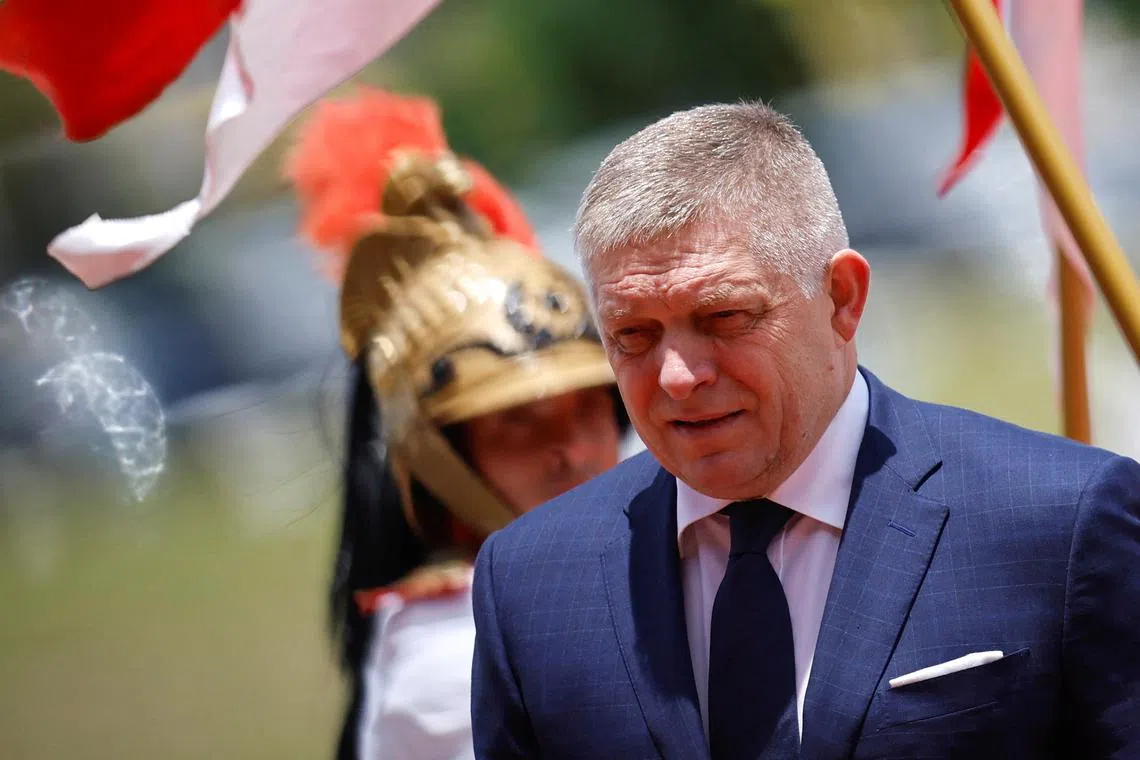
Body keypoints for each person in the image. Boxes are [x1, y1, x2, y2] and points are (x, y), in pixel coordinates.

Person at [469, 100, 1140, 759]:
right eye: (633, 335)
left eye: (724, 317)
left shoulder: (1059, 525)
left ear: (843, 297)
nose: (677, 376)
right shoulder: (531, 586)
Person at [283, 87, 629, 760]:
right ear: (441, 455)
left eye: (588, 406)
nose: (573, 450)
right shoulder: (448, 656)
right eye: (518, 423)